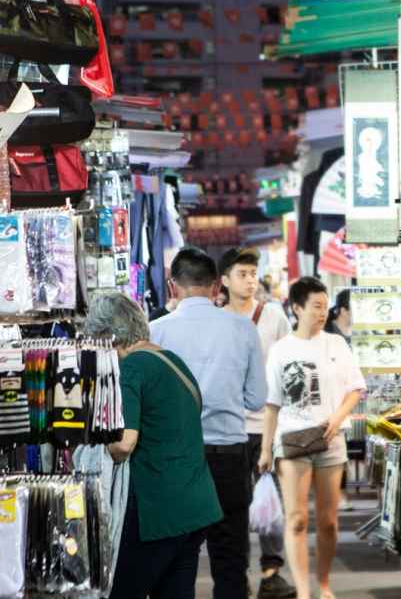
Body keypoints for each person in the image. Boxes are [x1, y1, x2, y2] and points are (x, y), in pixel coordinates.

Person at [149, 247, 267, 599]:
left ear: (173, 286)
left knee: (173, 556)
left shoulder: (155, 332)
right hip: (228, 454)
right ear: (217, 286)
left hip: (173, 459)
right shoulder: (243, 329)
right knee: (230, 556)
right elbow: (257, 398)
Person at [88, 290, 221, 599]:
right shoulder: (172, 361)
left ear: (108, 336)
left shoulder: (132, 368)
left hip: (155, 510)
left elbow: (124, 443)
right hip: (194, 504)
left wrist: (90, 446)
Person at [258, 277, 366, 599]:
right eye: (316, 306)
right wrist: (265, 449)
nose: (323, 312)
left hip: (331, 440)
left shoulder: (336, 344)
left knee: (329, 521)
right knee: (296, 518)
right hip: (291, 441)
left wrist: (337, 417)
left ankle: (324, 583)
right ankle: (304, 590)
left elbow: (355, 389)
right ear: (297, 308)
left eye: (325, 306)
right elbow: (272, 404)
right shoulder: (280, 350)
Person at [217, 248, 294, 599]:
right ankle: (237, 574)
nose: (250, 280)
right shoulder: (216, 320)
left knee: (270, 503)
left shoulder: (274, 316)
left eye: (252, 273)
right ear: (224, 280)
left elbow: (288, 367)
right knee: (232, 505)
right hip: (228, 427)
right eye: (242, 274)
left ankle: (272, 572)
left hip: (268, 425)